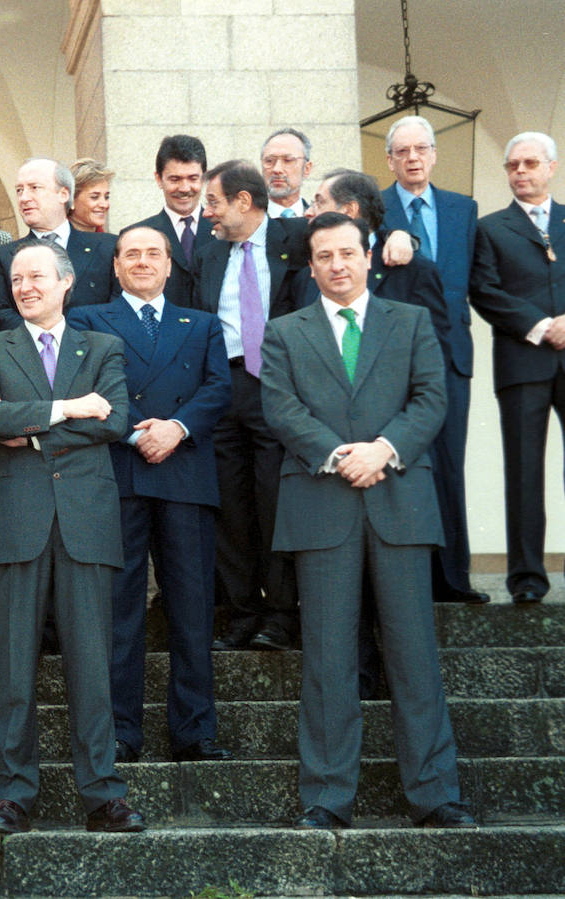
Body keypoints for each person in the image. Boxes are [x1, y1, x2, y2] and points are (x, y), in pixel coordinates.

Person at [261, 211, 475, 831]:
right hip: (322, 505)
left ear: (369, 255)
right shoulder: (285, 332)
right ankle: (327, 796)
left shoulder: (408, 322)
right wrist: (337, 454)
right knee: (328, 658)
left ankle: (435, 793)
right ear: (310, 264)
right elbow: (280, 405)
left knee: (414, 654)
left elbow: (432, 397)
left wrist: (384, 449)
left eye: (347, 253)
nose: (337, 265)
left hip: (399, 500)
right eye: (324, 256)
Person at [0, 240, 143, 834]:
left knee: (93, 665)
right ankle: (12, 793)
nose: (25, 287)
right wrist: (69, 409)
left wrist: (31, 423)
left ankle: (103, 793)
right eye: (17, 279)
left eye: (37, 276)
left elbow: (116, 420)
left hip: (85, 524)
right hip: (14, 524)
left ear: (67, 283)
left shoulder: (104, 347)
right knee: (11, 669)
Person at [67, 225, 233, 765]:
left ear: (169, 266)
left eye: (153, 254)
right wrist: (141, 430)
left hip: (184, 473)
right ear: (114, 267)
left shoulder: (203, 324)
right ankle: (120, 730)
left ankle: (195, 731)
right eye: (131, 254)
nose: (142, 261)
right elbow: (89, 385)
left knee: (191, 608)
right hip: (120, 472)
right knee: (120, 610)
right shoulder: (88, 320)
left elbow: (217, 388)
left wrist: (177, 428)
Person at [189, 160, 306, 652]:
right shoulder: (209, 254)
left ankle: (281, 614)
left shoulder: (295, 239)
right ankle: (242, 613)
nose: (206, 212)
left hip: (277, 387)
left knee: (274, 503)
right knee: (230, 507)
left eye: (213, 202)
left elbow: (354, 231)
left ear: (243, 201)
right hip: (226, 385)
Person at [381, 115, 485, 604]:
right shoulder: (375, 209)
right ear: (390, 159)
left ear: (434, 154)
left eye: (421, 149)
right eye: (402, 151)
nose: (413, 158)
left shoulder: (463, 210)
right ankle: (410, 579)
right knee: (402, 463)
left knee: (449, 464)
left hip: (451, 358)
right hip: (393, 359)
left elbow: (476, 283)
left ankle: (454, 579)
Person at [470, 131, 565, 605]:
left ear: (551, 167)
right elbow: (484, 290)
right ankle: (527, 578)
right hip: (523, 362)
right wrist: (543, 325)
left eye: (530, 164)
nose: (521, 172)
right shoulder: (490, 228)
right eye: (512, 166)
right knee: (524, 473)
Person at [0, 158, 118, 333]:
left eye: (34, 188)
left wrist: (69, 342)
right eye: (19, 190)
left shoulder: (108, 247)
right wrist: (46, 340)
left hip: (95, 354)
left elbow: (118, 309)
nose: (24, 198)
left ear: (64, 194)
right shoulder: (0, 257)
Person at [130, 135, 215, 305]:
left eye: (193, 178)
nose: (184, 188)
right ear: (159, 179)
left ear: (204, 178)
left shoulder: (224, 230)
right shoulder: (136, 235)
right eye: (175, 179)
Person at [261, 128, 312, 218]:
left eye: (288, 160)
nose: (277, 169)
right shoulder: (247, 224)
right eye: (269, 161)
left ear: (306, 169)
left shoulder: (318, 222)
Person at [69, 158, 114, 232]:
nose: (104, 205)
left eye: (106, 197)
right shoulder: (53, 240)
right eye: (94, 197)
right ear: (71, 200)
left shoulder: (111, 242)